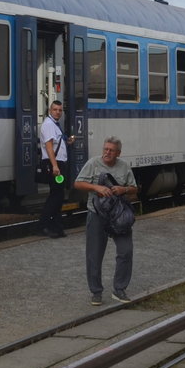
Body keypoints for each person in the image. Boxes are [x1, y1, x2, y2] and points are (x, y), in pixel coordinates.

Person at [74, 136, 138, 306]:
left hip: (119, 217)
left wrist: (123, 189)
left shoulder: (124, 166)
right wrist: (96, 187)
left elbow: (134, 189)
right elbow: (78, 183)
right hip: (97, 214)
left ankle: (119, 289)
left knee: (126, 251)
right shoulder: (93, 164)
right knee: (94, 255)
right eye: (105, 149)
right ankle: (96, 292)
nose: (107, 153)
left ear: (118, 153)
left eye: (111, 150)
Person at [38, 101, 75, 237]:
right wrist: (54, 166)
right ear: (50, 110)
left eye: (60, 110)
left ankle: (57, 227)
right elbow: (48, 147)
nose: (58, 112)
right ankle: (43, 225)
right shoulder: (48, 125)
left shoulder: (55, 125)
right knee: (56, 196)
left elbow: (55, 144)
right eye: (55, 109)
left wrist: (68, 142)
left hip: (58, 163)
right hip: (53, 164)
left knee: (58, 196)